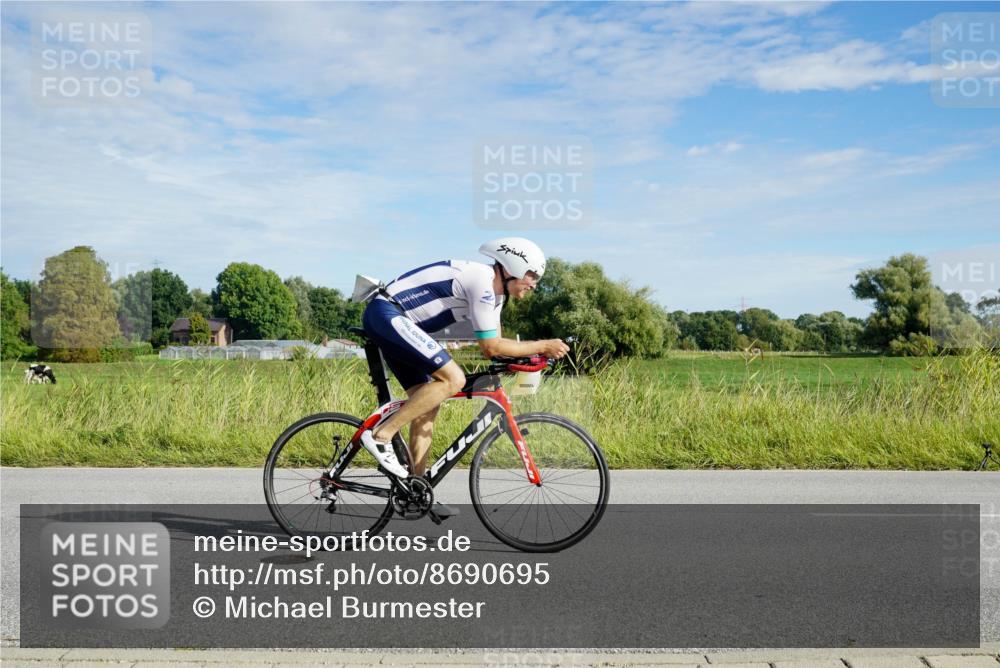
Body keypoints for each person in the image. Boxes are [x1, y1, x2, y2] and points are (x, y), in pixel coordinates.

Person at [359, 237, 569, 515]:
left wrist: (529, 358)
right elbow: (492, 347)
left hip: (398, 322)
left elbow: (495, 346)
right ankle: (381, 435)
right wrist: (542, 345)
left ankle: (414, 490)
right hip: (387, 314)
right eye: (532, 275)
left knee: (427, 403)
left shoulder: (496, 296)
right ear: (512, 267)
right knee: (453, 379)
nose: (534, 284)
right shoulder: (482, 282)